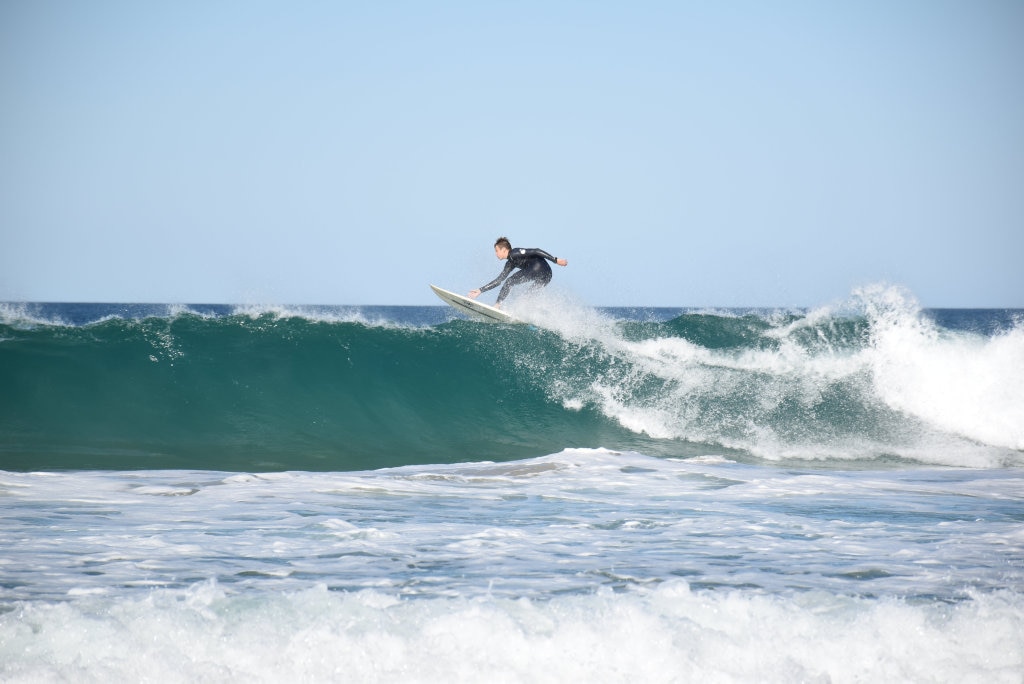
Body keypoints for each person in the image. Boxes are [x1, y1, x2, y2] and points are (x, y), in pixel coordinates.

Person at [468, 237, 568, 308]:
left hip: (538, 268)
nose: (496, 254)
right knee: (527, 297)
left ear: (503, 250)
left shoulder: (514, 253)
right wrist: (481, 290)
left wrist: (555, 260)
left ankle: (497, 305)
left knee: (509, 281)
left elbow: (536, 251)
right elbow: (499, 280)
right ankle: (528, 314)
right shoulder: (509, 263)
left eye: (497, 250)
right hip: (547, 275)